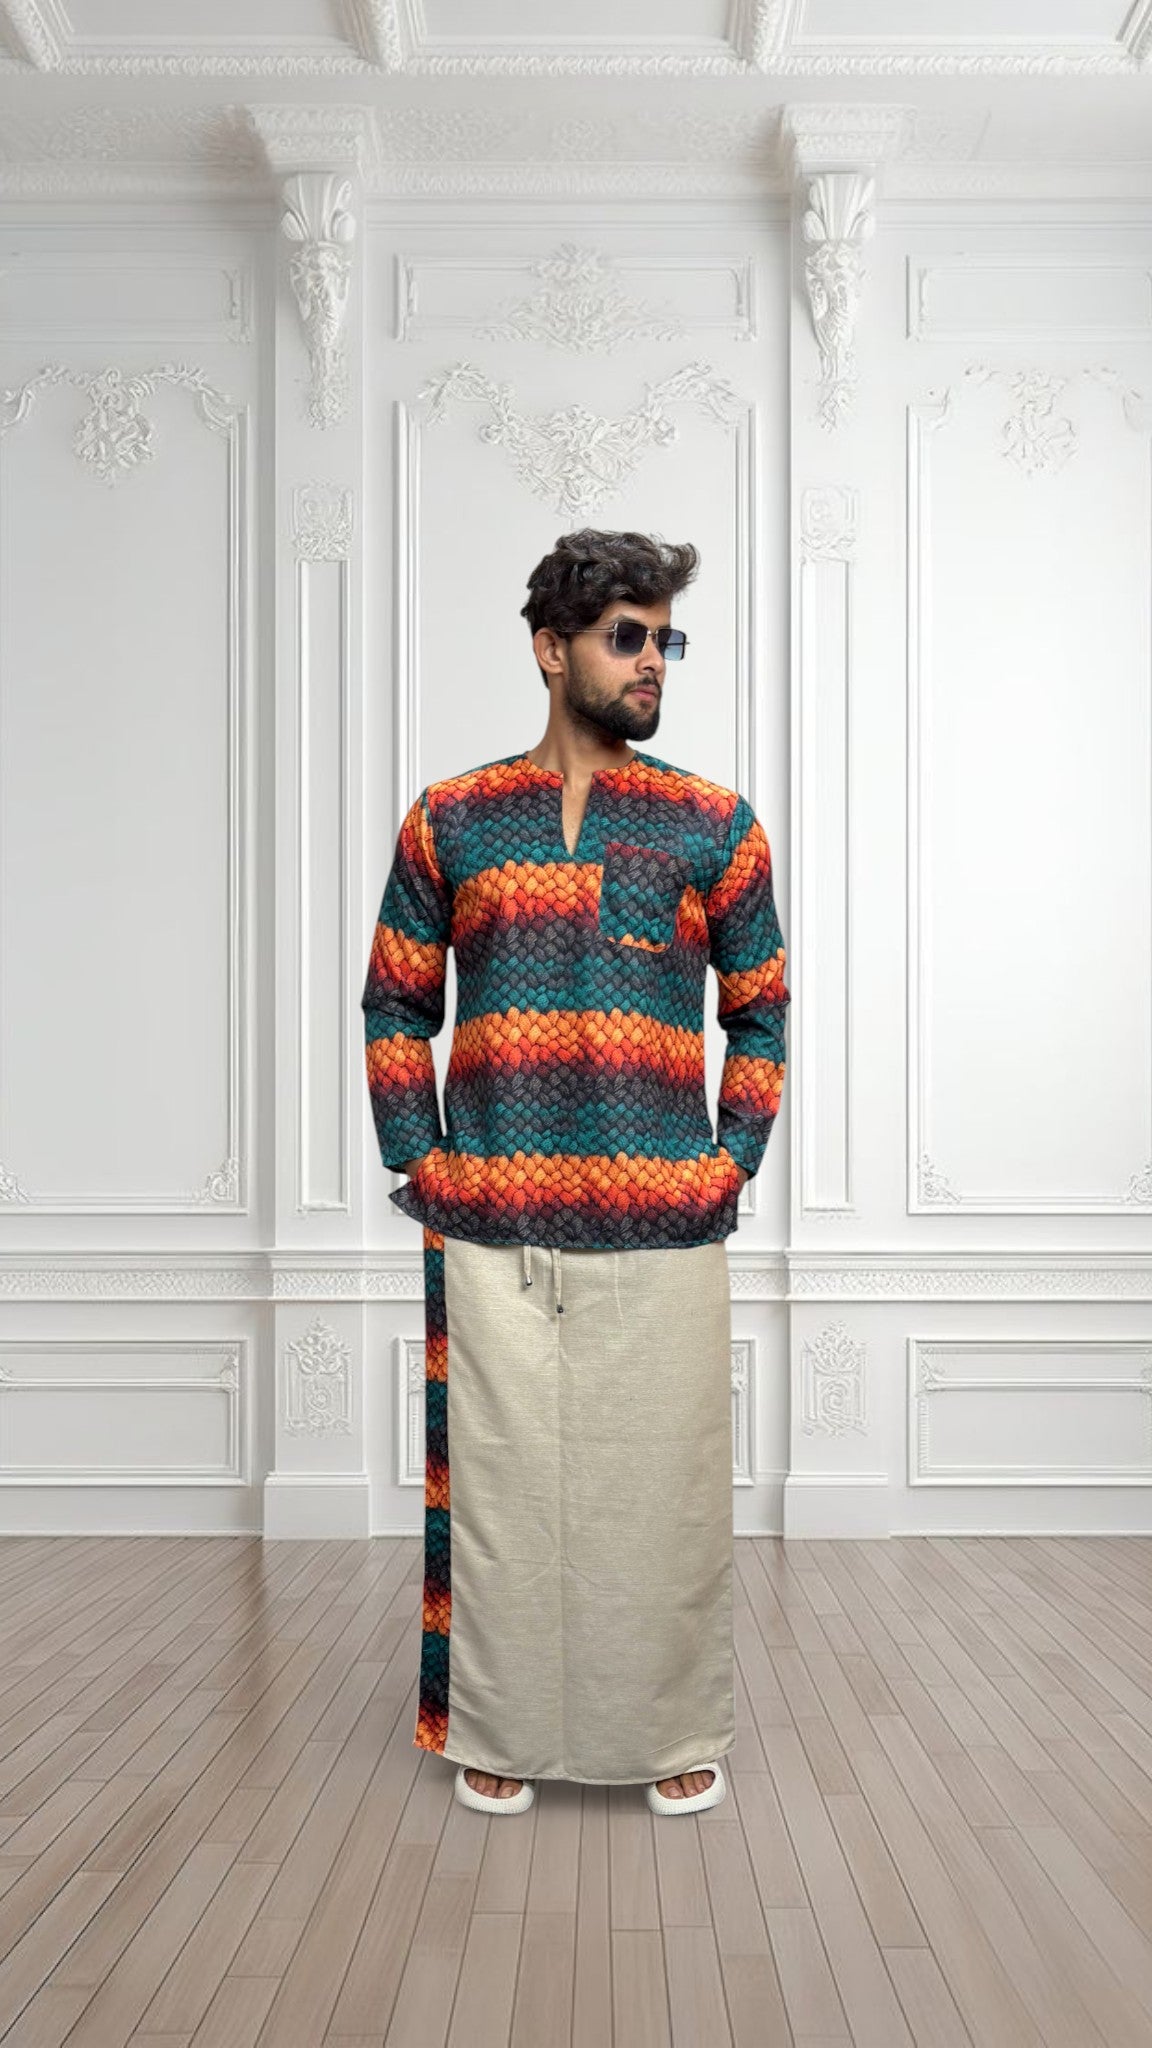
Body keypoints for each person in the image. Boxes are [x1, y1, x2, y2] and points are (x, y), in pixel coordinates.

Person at [361, 528, 789, 1816]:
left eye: (666, 640)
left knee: (660, 1494)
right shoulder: (452, 818)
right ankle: (499, 1727)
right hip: (491, 1216)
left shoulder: (715, 824)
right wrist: (420, 1157)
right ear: (552, 650)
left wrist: (728, 1163)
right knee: (501, 1491)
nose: (653, 661)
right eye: (626, 638)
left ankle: (667, 1730)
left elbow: (761, 1011)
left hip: (664, 1219)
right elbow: (396, 1003)